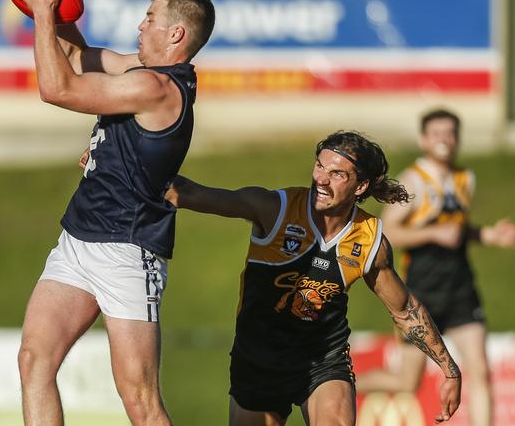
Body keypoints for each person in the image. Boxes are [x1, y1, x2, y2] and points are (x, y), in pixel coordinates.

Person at [10, 0, 215, 426]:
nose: (140, 26)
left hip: (127, 250)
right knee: (33, 360)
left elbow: (58, 88)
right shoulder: (139, 73)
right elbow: (77, 59)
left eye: (150, 18)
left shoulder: (160, 89)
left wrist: (41, 13)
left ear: (176, 34)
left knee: (138, 399)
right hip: (79, 240)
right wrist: (60, 5)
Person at [164, 131, 462, 426]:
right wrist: (133, 168)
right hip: (259, 357)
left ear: (361, 186)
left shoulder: (370, 241)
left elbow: (405, 310)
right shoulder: (275, 209)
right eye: (320, 166)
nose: (321, 178)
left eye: (336, 174)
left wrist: (449, 370)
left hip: (324, 358)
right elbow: (191, 194)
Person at [356, 109, 515, 425]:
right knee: (406, 382)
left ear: (458, 137)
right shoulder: (412, 181)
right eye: (437, 133)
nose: (444, 139)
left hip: (460, 288)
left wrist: (489, 235)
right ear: (424, 139)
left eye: (450, 133)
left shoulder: (464, 178)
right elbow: (386, 233)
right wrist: (432, 233)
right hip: (422, 291)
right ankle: (334, 386)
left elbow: (458, 230)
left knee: (480, 369)